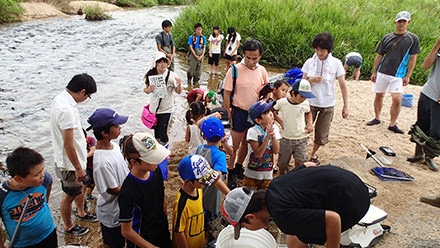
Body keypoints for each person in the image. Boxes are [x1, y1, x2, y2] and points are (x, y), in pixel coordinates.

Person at [222, 163, 370, 248]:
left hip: (355, 203)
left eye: (244, 227)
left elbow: (333, 219)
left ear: (250, 217)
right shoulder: (275, 185)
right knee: (295, 236)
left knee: (297, 233)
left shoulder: (283, 218)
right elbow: (308, 165)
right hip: (351, 180)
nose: (249, 230)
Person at [50, 73, 97, 235]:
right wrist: (78, 168)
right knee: (69, 194)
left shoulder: (60, 100)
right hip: (69, 163)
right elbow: (68, 143)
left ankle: (81, 212)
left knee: (77, 190)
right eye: (88, 96)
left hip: (68, 159)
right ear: (82, 91)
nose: (86, 99)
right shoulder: (66, 109)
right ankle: (68, 226)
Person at [222, 39, 269, 189]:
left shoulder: (262, 70)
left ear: (260, 56)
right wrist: (226, 112)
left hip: (255, 114)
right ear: (243, 54)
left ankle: (238, 167)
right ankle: (230, 173)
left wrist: (266, 102)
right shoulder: (234, 70)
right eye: (248, 58)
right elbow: (227, 93)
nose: (251, 61)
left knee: (246, 143)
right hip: (238, 113)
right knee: (233, 145)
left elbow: (266, 91)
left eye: (254, 58)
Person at [368, 11, 420, 134]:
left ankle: (392, 123)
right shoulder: (387, 37)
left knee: (397, 99)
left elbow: (413, 57)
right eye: (399, 21)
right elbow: (379, 55)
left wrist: (408, 75)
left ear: (408, 22)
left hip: (398, 74)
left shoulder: (413, 39)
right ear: (395, 22)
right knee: (379, 95)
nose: (401, 24)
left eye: (404, 21)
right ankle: (377, 117)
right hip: (383, 71)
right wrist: (374, 71)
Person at [301, 31, 348, 165]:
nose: (319, 52)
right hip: (309, 102)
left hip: (327, 103)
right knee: (303, 129)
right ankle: (301, 152)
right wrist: (312, 80)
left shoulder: (336, 63)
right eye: (316, 49)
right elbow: (302, 83)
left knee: (322, 133)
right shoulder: (310, 62)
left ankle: (313, 153)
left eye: (322, 49)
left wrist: (345, 105)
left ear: (328, 49)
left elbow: (342, 84)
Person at [118, 132, 171, 248]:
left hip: (161, 229)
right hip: (143, 239)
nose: (156, 162)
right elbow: (126, 231)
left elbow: (161, 197)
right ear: (134, 162)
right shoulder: (127, 192)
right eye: (152, 159)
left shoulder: (156, 172)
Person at [87, 108, 129, 248]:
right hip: (111, 212)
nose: (120, 128)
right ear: (104, 133)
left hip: (122, 205)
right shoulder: (102, 163)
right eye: (116, 126)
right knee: (112, 243)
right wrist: (134, 190)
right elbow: (113, 189)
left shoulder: (115, 147)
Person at [1, 147, 57, 248]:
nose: (42, 176)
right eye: (37, 174)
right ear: (18, 179)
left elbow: (48, 188)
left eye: (42, 170)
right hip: (23, 244)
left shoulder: (44, 181)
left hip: (49, 233)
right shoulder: (2, 196)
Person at [172, 154, 221, 248]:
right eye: (202, 180)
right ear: (187, 181)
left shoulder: (198, 190)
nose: (205, 183)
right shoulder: (181, 204)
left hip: (199, 240)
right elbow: (179, 231)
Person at [407, 36, 440, 171]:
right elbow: (425, 65)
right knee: (422, 123)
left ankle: (429, 157)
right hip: (428, 92)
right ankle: (418, 154)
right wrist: (436, 45)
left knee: (436, 131)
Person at [196, 117, 231, 234]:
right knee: (209, 226)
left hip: (200, 196)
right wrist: (229, 194)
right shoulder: (220, 155)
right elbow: (216, 178)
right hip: (211, 201)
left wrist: (221, 161)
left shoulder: (200, 149)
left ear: (203, 137)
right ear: (223, 136)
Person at [273, 79, 315, 174]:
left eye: (306, 97)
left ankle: (297, 177)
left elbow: (308, 113)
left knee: (300, 162)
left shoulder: (305, 103)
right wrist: (280, 121)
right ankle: (282, 177)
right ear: (293, 93)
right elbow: (272, 110)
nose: (304, 99)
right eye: (301, 96)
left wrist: (310, 123)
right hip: (286, 138)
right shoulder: (282, 102)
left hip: (302, 137)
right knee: (283, 163)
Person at [144, 51, 182, 146]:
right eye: (160, 62)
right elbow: (145, 90)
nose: (162, 64)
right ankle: (158, 150)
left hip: (166, 109)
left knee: (163, 132)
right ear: (155, 63)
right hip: (154, 109)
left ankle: (165, 152)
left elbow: (178, 91)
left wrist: (179, 84)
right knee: (156, 132)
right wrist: (149, 89)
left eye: (164, 62)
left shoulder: (172, 75)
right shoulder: (151, 74)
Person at [243, 100, 281, 190]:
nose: (271, 114)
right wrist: (267, 137)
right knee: (249, 195)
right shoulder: (252, 131)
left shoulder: (275, 129)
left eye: (270, 110)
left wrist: (273, 136)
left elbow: (276, 151)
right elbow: (258, 154)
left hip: (267, 173)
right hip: (252, 173)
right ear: (258, 120)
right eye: (267, 112)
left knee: (263, 196)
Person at [82, 129, 96, 210]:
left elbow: (92, 151)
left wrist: (83, 158)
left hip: (93, 165)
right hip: (85, 167)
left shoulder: (91, 140)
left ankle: (87, 195)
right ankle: (82, 201)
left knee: (93, 183)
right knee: (84, 184)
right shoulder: (77, 143)